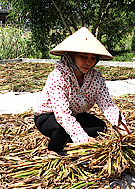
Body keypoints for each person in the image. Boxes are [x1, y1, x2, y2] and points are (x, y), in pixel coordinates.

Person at [33, 27, 128, 156]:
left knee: (100, 127)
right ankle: (54, 149)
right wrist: (84, 140)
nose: (88, 62)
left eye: (92, 58)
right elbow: (62, 115)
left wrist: (121, 127)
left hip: (75, 114)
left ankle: (69, 140)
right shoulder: (58, 76)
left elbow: (107, 105)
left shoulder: (96, 78)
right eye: (83, 57)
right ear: (71, 55)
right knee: (62, 128)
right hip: (48, 116)